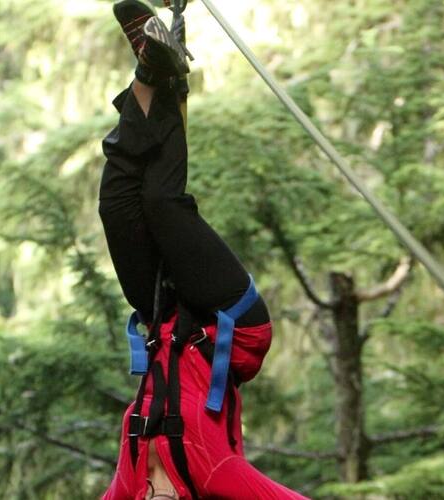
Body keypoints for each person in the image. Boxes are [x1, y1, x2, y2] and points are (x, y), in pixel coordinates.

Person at [98, 1, 306, 498]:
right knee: (163, 205)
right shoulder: (212, 475)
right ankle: (167, 78)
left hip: (163, 316)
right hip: (230, 323)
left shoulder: (130, 480)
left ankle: (151, 72)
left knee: (118, 204)